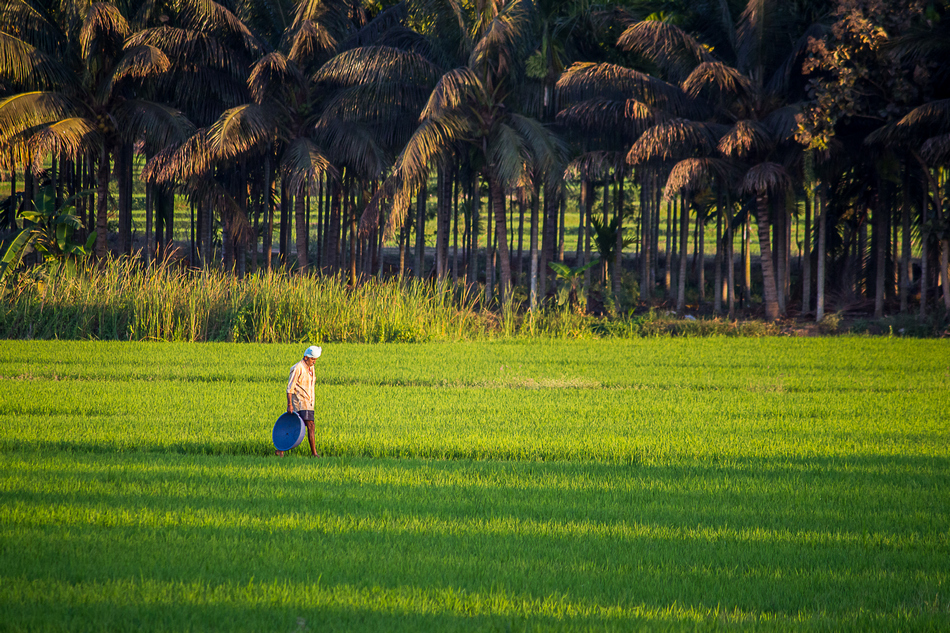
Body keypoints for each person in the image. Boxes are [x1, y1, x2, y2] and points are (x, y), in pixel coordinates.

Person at [276, 345, 321, 457]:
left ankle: (280, 450)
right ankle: (314, 454)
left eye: (315, 360)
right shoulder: (297, 368)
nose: (314, 362)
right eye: (312, 359)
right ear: (306, 357)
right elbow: (290, 388)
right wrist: (289, 404)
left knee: (295, 426)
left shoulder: (311, 368)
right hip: (300, 402)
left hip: (309, 402)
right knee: (310, 425)